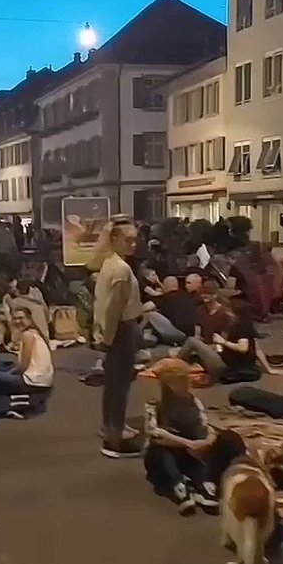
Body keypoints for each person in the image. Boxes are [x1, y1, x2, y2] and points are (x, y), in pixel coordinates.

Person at [90, 217, 146, 458]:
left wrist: (101, 333)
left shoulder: (109, 263)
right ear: (115, 239)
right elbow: (113, 308)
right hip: (122, 329)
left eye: (135, 240)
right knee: (119, 384)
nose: (133, 245)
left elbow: (102, 304)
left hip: (115, 328)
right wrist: (109, 338)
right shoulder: (121, 269)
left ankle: (112, 426)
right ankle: (115, 432)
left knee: (113, 383)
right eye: (128, 240)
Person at [142, 358, 218, 514]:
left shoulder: (194, 401)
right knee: (159, 450)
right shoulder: (155, 403)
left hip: (188, 451)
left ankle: (202, 484)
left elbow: (205, 424)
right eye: (182, 380)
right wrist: (187, 444)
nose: (187, 383)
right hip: (164, 454)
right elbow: (155, 433)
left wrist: (207, 441)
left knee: (205, 448)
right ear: (170, 383)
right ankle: (179, 485)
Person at [0, 308, 54, 403]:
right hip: (43, 379)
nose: (18, 321)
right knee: (5, 367)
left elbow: (24, 366)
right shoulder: (35, 333)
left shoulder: (27, 335)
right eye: (15, 318)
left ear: (29, 319)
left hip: (33, 381)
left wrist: (9, 373)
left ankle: (9, 400)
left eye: (21, 318)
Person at [143, 276, 196, 345]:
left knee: (150, 313)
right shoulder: (187, 296)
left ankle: (144, 337)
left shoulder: (166, 297)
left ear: (165, 286)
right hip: (190, 334)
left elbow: (146, 307)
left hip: (178, 334)